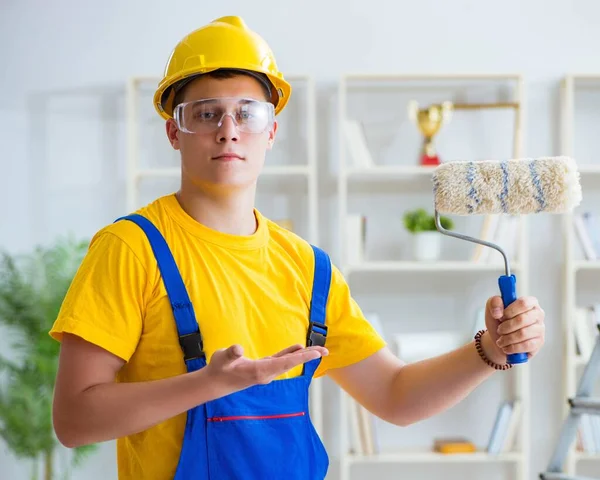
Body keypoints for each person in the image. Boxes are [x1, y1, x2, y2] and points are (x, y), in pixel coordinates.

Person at [49, 15, 546, 480]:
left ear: (272, 132)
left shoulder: (309, 268)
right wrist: (209, 383)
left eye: (248, 113)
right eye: (205, 114)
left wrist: (492, 349)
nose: (228, 129)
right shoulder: (129, 249)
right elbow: (74, 420)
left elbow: (395, 397)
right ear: (173, 132)